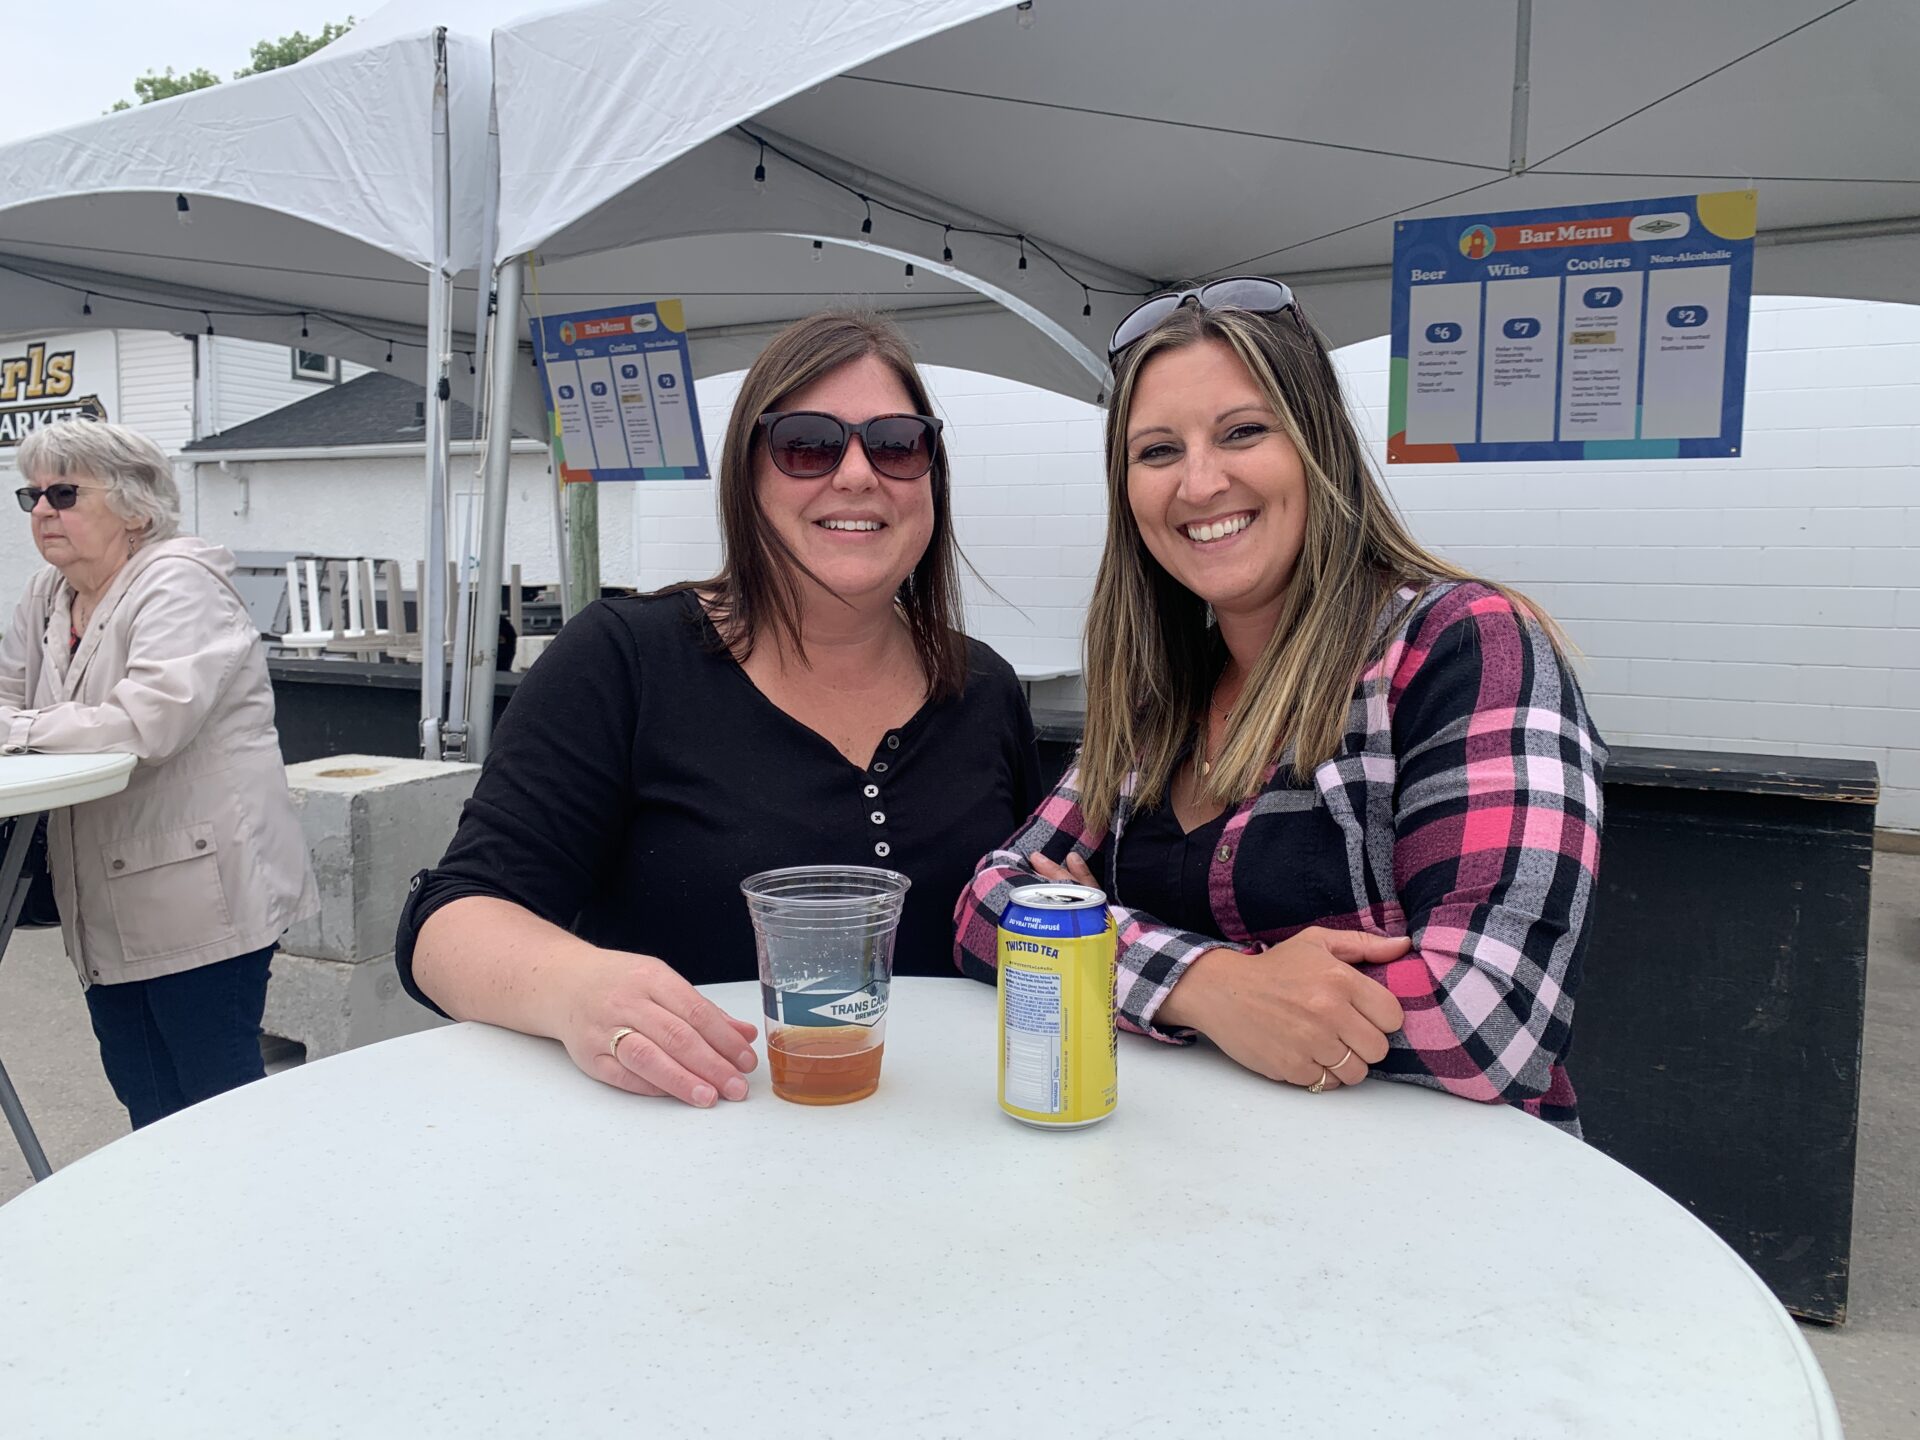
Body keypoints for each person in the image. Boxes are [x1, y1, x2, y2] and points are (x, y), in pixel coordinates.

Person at [955, 280, 1605, 1133]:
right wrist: (1215, 988)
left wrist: (1098, 943)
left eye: (1243, 432)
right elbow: (984, 905)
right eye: (1156, 452)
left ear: (1318, 447)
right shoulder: (1159, 699)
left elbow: (1489, 1018)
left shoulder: (1465, 646)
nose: (1198, 483)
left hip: (1435, 1210)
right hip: (1186, 1180)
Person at [398, 312, 1041, 1108]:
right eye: (807, 443)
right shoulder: (624, 661)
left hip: (950, 1152)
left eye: (896, 443)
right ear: (747, 476)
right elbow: (447, 926)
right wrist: (576, 987)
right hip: (692, 1155)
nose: (856, 474)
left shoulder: (984, 688)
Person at [0, 420, 318, 1129]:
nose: (44, 511)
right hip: (102, 897)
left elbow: (147, 721)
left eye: (64, 493)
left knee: (214, 1102)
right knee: (143, 1097)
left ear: (136, 507)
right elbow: (6, 689)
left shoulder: (182, 584)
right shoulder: (45, 596)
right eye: (32, 497)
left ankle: (251, 1235)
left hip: (199, 893)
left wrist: (18, 733)